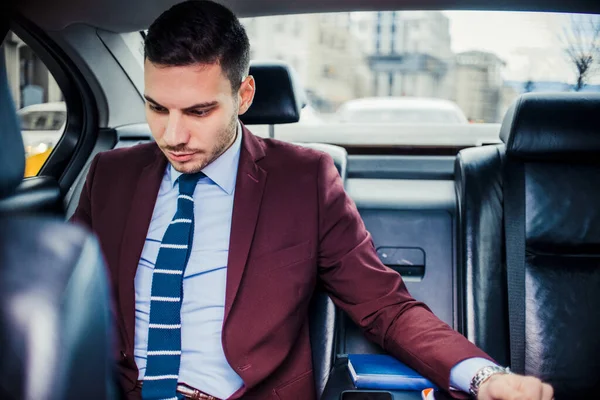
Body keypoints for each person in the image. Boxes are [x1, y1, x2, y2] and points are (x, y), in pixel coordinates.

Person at [71, 1, 554, 399]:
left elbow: (385, 307)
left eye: (199, 110)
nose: (172, 135)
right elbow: (59, 296)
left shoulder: (303, 180)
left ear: (244, 95)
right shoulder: (111, 175)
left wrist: (484, 376)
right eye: (157, 108)